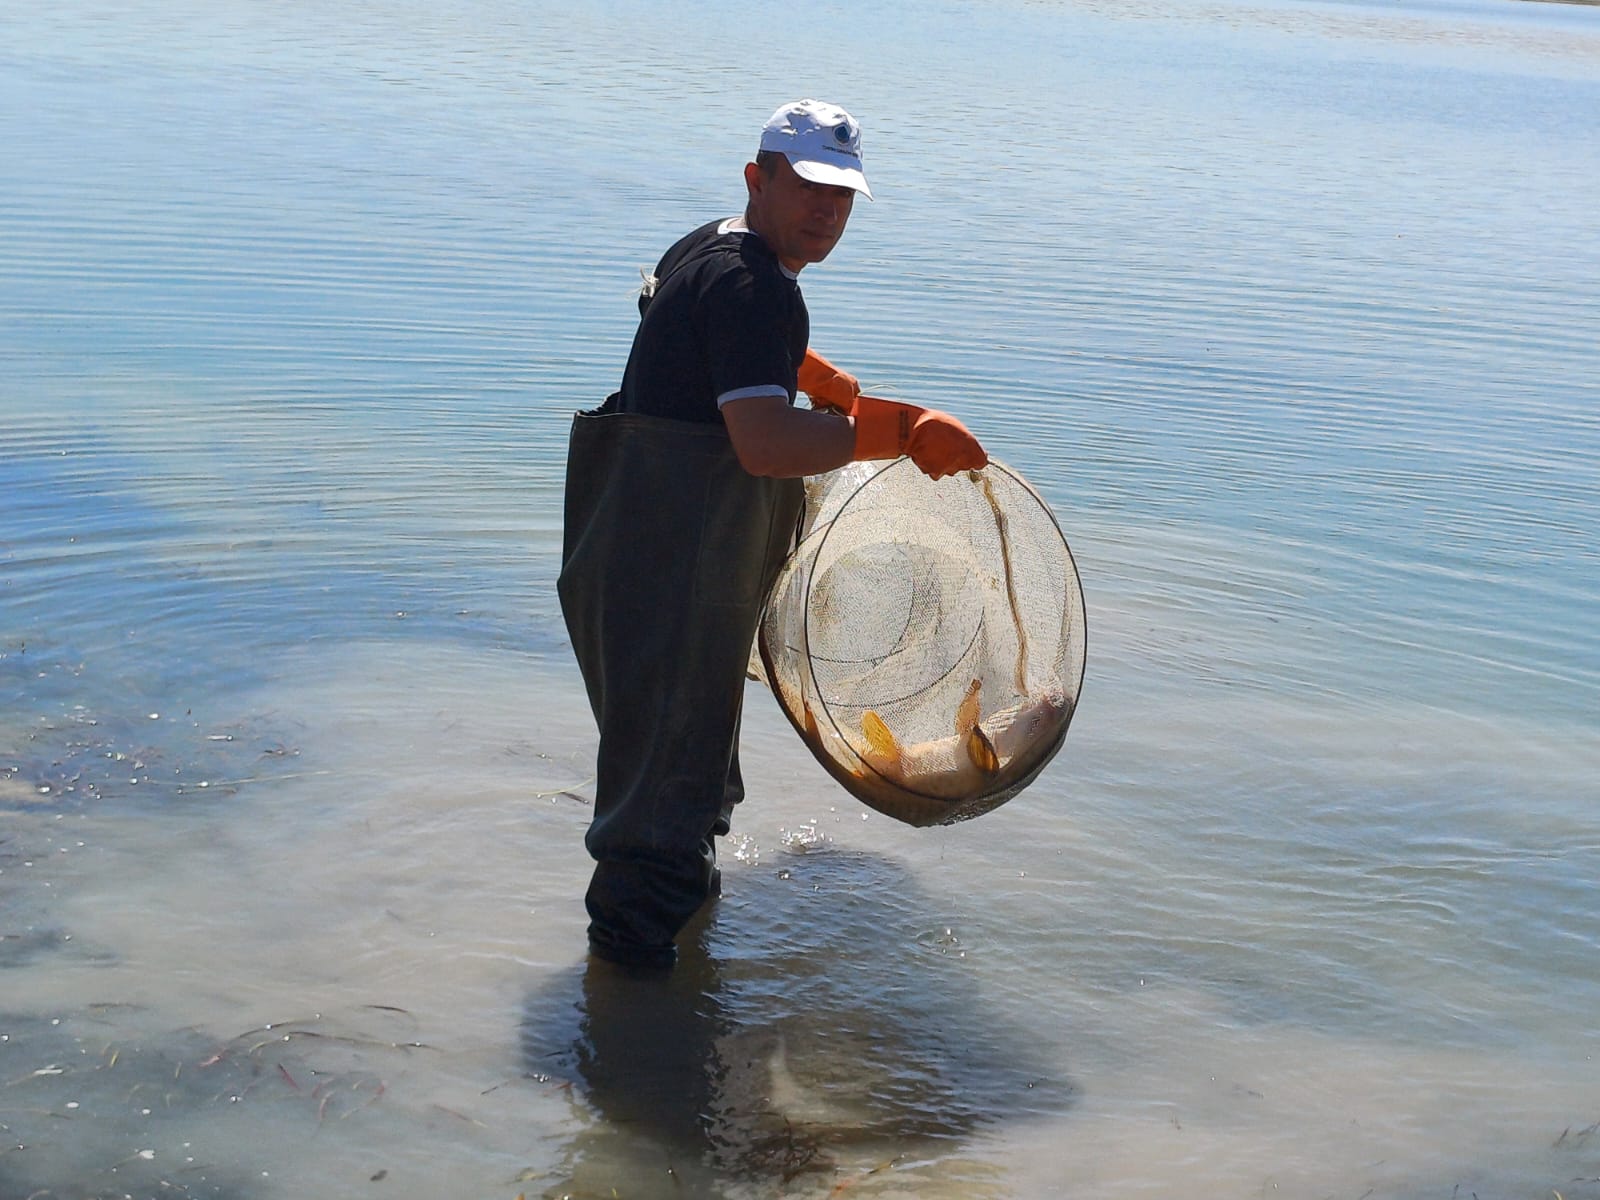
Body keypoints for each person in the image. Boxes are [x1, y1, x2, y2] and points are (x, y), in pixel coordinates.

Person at [557, 99, 987, 969]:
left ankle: (670, 964)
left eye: (844, 195)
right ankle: (638, 1052)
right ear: (759, 179)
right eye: (809, 188)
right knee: (661, 803)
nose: (827, 211)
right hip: (671, 561)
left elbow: (700, 332)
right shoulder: (755, 288)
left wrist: (813, 373)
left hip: (630, 547)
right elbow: (764, 444)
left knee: (678, 767)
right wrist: (899, 431)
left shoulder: (717, 249)